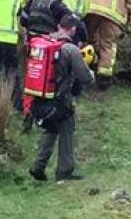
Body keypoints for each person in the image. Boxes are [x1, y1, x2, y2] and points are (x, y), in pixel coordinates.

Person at [28, 14, 94, 182]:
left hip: (41, 96)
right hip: (61, 100)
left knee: (50, 129)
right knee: (67, 130)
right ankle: (64, 171)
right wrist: (91, 73)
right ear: (72, 29)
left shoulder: (45, 43)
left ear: (59, 26)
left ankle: (38, 166)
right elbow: (85, 77)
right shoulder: (70, 50)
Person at [21, 0, 88, 43]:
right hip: (48, 39)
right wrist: (83, 36)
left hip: (30, 37)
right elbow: (72, 20)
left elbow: (23, 18)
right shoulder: (56, 3)